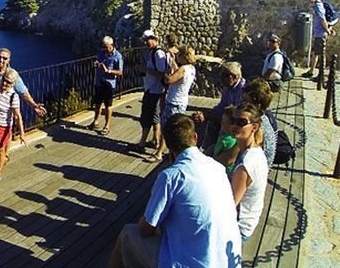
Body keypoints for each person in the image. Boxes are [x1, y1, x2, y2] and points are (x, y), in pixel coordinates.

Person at [109, 114, 242, 268]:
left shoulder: (171, 177)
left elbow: (146, 229)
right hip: (226, 261)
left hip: (191, 264)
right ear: (195, 137)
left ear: (169, 146)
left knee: (127, 234)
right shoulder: (217, 168)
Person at [0, 48, 47, 156]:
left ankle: (4, 155)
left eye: (4, 58)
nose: (1, 60)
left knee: (5, 132)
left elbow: (23, 92)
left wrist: (34, 105)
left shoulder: (11, 75)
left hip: (5, 108)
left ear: (9, 60)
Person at [145, 45, 196, 163]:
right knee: (175, 126)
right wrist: (173, 62)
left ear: (184, 56)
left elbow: (170, 80)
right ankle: (169, 152)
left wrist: (164, 75)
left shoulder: (183, 69)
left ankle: (159, 153)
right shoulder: (191, 68)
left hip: (174, 101)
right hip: (182, 100)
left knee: (168, 127)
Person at [229, 103, 269, 241]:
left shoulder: (245, 165)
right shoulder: (256, 151)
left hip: (238, 227)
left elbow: (230, 204)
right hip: (250, 220)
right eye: (232, 121)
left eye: (241, 122)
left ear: (255, 127)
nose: (235, 126)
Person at [193, 61, 246, 149]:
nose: (221, 78)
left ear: (235, 77)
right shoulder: (227, 87)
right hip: (228, 116)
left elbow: (237, 111)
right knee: (200, 120)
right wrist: (205, 114)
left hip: (238, 121)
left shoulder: (242, 90)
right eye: (221, 75)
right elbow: (221, 106)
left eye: (225, 75)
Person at [132, 29, 168, 152]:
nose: (146, 43)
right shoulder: (154, 53)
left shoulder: (158, 54)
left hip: (154, 90)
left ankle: (142, 144)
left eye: (148, 40)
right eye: (145, 41)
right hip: (153, 89)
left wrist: (145, 69)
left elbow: (161, 73)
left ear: (155, 39)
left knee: (147, 117)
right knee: (154, 117)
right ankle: (155, 140)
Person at [87, 36, 124, 136]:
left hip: (109, 83)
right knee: (97, 103)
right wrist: (96, 64)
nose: (105, 49)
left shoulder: (118, 56)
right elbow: (98, 61)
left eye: (106, 47)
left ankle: (107, 126)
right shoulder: (101, 53)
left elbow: (120, 72)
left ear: (111, 45)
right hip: (99, 81)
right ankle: (95, 121)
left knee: (108, 105)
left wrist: (108, 71)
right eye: (104, 47)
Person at [302, 0, 335, 82]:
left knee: (320, 54)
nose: (308, 0)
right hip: (318, 33)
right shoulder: (317, 5)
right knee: (315, 53)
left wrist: (327, 30)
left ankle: (321, 75)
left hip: (320, 34)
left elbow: (322, 19)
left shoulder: (318, 6)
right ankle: (312, 71)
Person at [242, 78, 277, 166]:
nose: (242, 104)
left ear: (257, 106)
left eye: (246, 101)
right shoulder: (264, 117)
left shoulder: (258, 126)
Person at [211, 105, 239, 174]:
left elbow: (215, 153)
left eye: (224, 122)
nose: (221, 123)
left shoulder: (224, 140)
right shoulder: (235, 138)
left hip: (222, 170)